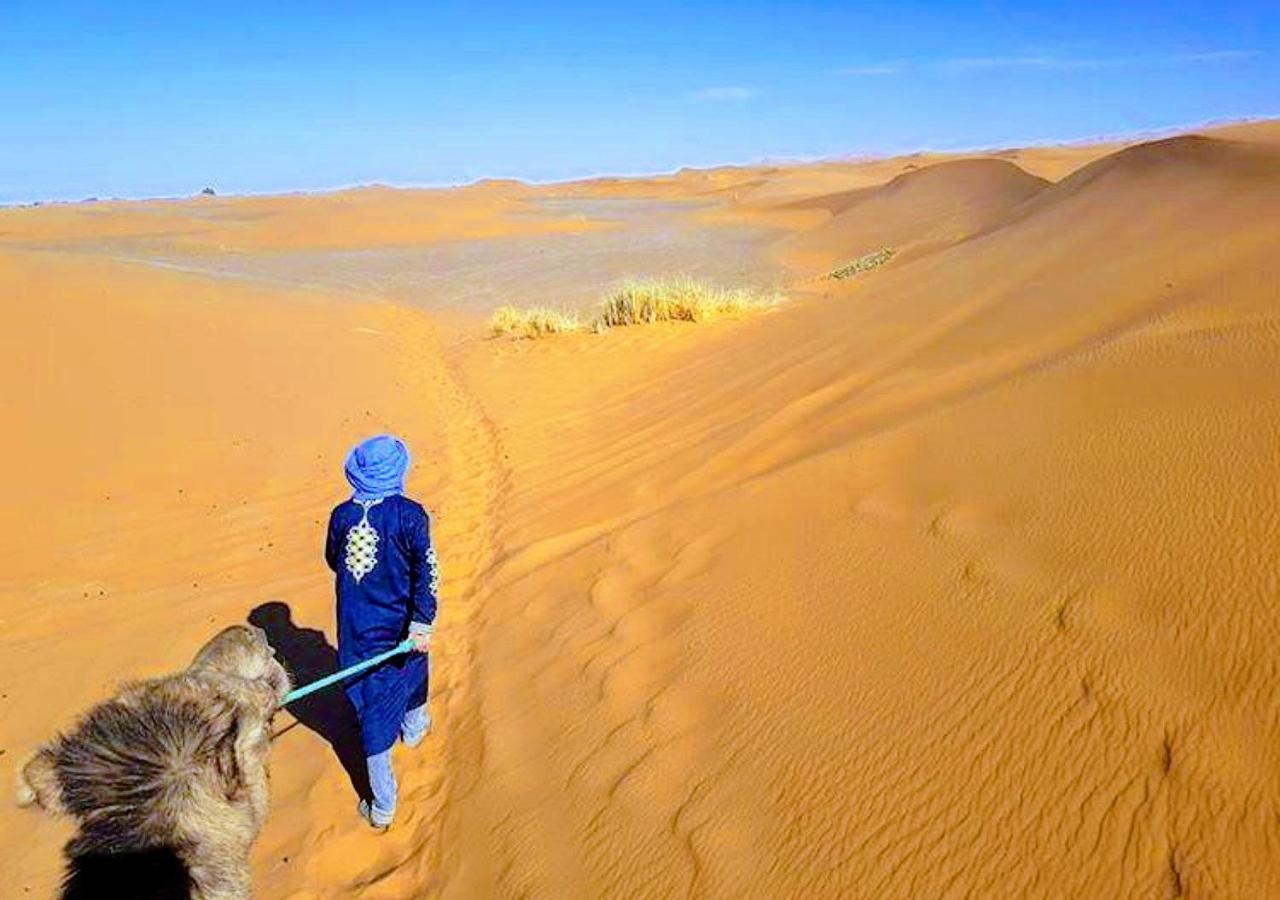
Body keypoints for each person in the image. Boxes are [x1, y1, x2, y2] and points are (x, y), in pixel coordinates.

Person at [324, 434, 437, 830]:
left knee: (404, 677)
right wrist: (422, 621)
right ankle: (384, 803)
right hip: (394, 626)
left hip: (365, 625)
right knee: (377, 710)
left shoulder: (342, 515)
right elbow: (428, 571)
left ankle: (415, 728)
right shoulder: (411, 514)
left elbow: (332, 560)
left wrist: (420, 622)